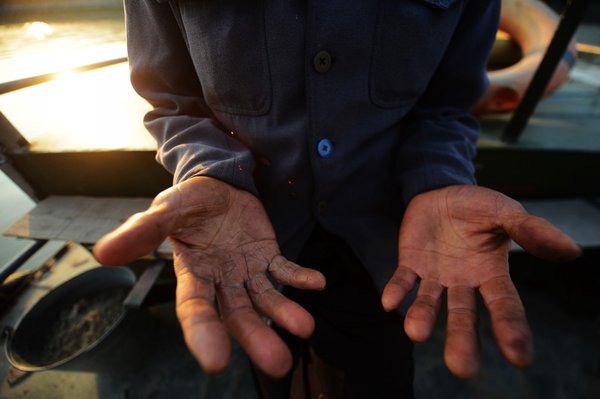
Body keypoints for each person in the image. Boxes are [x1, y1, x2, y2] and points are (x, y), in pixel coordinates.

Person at [93, 0, 581, 397]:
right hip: (247, 250)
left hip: (388, 251)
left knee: (379, 377)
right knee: (271, 368)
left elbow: (445, 108)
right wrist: (208, 172)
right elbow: (174, 101)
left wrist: (441, 178)